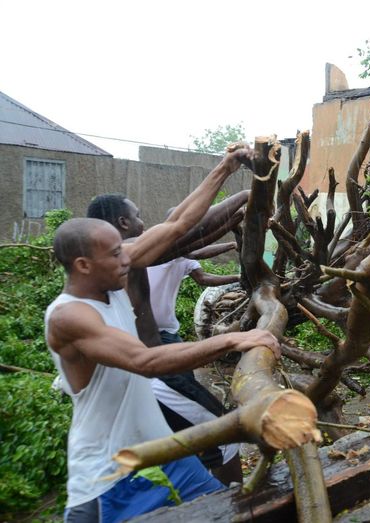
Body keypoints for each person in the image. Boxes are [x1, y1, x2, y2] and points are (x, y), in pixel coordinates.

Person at [47, 147, 280, 522]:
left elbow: (177, 225)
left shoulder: (114, 270)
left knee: (228, 510)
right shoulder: (70, 317)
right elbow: (145, 361)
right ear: (83, 265)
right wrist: (233, 338)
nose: (129, 258)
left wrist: (226, 167)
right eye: (115, 254)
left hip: (164, 451)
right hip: (110, 474)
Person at [87, 192, 248, 486]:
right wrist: (247, 193)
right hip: (149, 375)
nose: (143, 221)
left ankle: (204, 490)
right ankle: (237, 504)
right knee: (227, 434)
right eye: (137, 215)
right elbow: (182, 227)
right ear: (123, 222)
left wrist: (234, 218)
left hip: (146, 366)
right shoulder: (122, 254)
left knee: (186, 440)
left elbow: (183, 231)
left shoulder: (114, 256)